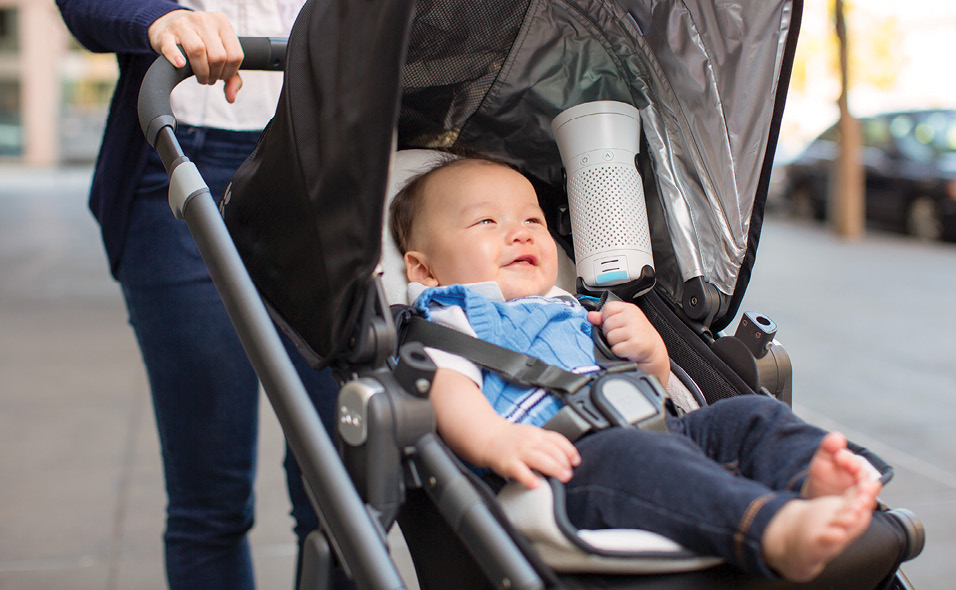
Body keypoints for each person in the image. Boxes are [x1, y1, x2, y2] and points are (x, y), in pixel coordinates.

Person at [387, 153, 884, 583]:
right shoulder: (448, 317)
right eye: (486, 223)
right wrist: (495, 441)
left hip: (656, 429)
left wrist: (650, 353)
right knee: (646, 463)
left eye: (532, 221)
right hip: (570, 467)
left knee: (748, 414)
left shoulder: (575, 306)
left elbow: (651, 387)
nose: (519, 233)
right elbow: (445, 387)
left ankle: (812, 478)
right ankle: (770, 528)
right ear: (424, 270)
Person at [55, 2, 345, 588]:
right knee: (209, 500)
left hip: (324, 163)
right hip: (181, 157)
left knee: (342, 499)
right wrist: (159, 18)